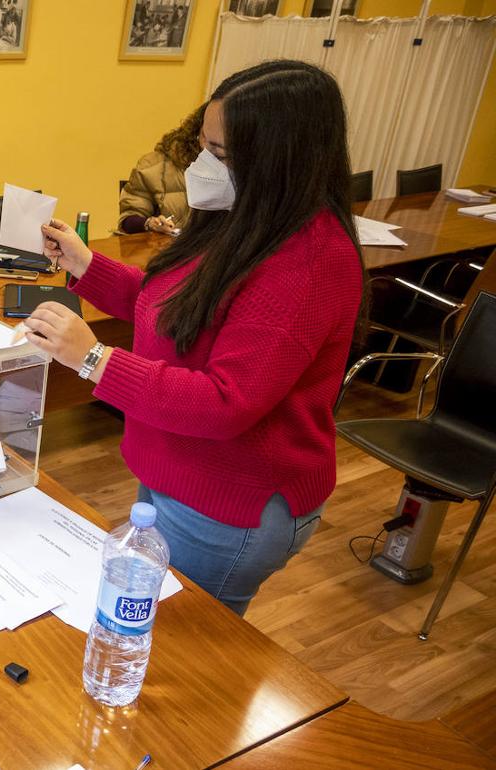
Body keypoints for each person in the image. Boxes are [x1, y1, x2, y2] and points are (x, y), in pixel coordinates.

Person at [24, 60, 364, 616]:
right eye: (205, 145)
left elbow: (226, 401)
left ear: (279, 159)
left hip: (230, 505)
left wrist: (94, 359)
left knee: (186, 653)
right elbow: (179, 309)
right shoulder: (242, 216)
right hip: (174, 475)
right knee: (146, 625)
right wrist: (88, 266)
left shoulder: (309, 260)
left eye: (223, 155)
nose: (203, 165)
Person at [118, 105, 204, 235]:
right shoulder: (155, 166)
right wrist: (150, 223)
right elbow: (128, 220)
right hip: (166, 251)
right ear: (198, 132)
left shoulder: (237, 169)